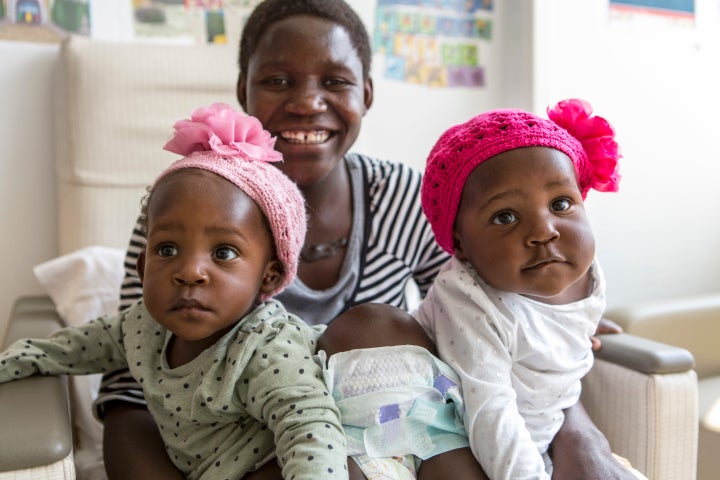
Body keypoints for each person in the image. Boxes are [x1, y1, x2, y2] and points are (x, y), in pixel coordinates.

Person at [97, 1, 634, 478]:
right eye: (278, 81)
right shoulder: (184, 209)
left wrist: (578, 425)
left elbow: (495, 321)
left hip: (401, 437)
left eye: (335, 81)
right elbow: (129, 386)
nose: (308, 102)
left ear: (366, 94)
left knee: (377, 324)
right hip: (254, 448)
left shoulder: (405, 198)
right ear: (244, 92)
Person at [0, 103, 349, 480]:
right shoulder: (141, 329)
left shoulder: (264, 349)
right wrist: (15, 362)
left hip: (276, 464)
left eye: (223, 253)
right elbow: (72, 348)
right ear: (142, 266)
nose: (190, 272)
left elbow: (311, 429)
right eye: (167, 250)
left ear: (269, 277)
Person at [415, 99, 643, 479]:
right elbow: (490, 414)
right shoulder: (467, 298)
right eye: (505, 216)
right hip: (460, 443)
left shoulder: (580, 271)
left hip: (540, 438)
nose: (544, 231)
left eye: (561, 203)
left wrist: (574, 327)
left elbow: (548, 324)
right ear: (461, 242)